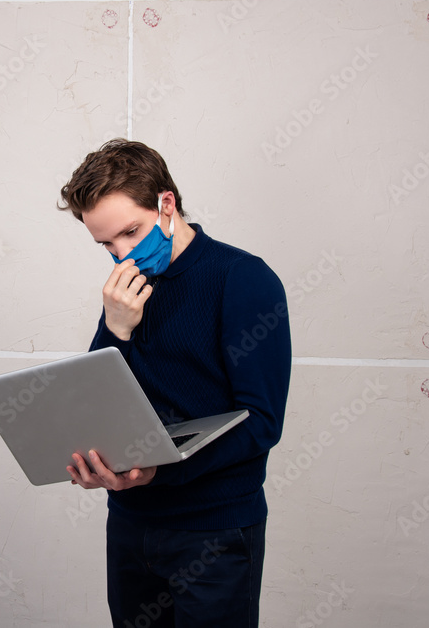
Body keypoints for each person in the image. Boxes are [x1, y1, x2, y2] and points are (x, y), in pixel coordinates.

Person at [56, 139, 292, 628]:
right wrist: (116, 328)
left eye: (130, 232)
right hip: (130, 524)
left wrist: (161, 471)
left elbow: (262, 423)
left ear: (167, 204)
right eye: (106, 245)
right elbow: (98, 401)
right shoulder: (125, 290)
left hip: (216, 531)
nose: (122, 255)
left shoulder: (242, 279)